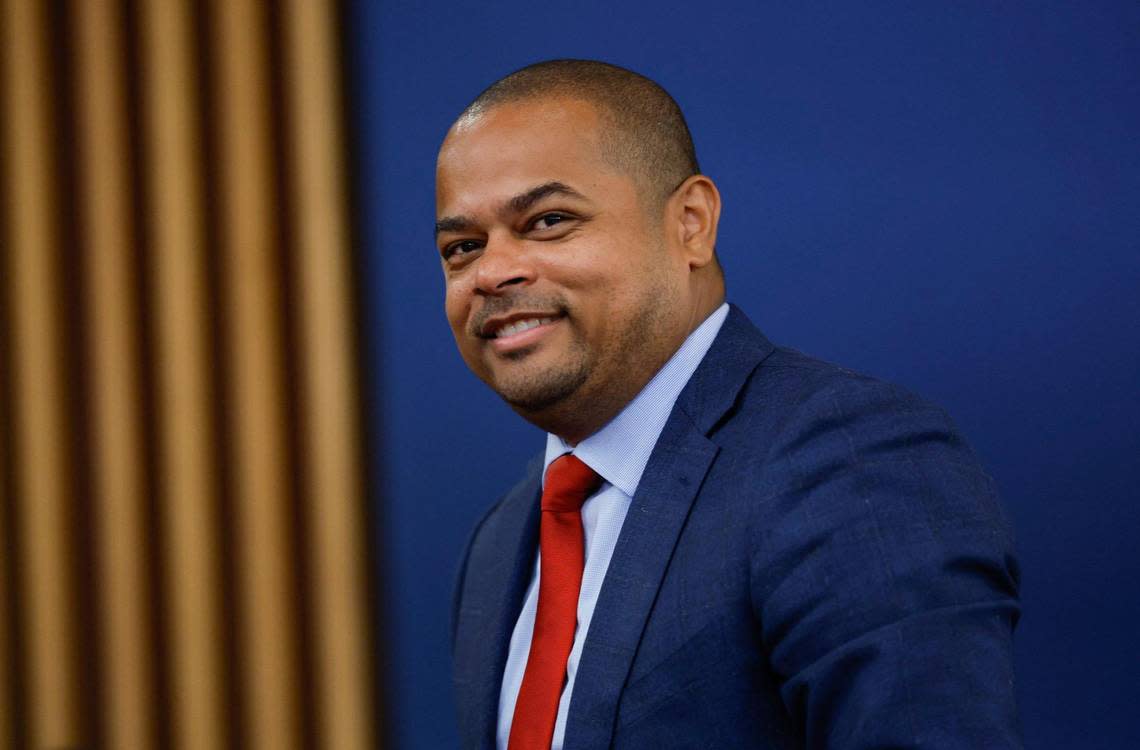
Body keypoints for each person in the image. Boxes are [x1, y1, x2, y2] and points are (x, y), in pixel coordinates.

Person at [440, 59, 1022, 750]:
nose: (492, 271)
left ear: (690, 223)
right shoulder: (501, 541)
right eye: (462, 247)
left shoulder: (847, 462)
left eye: (548, 220)